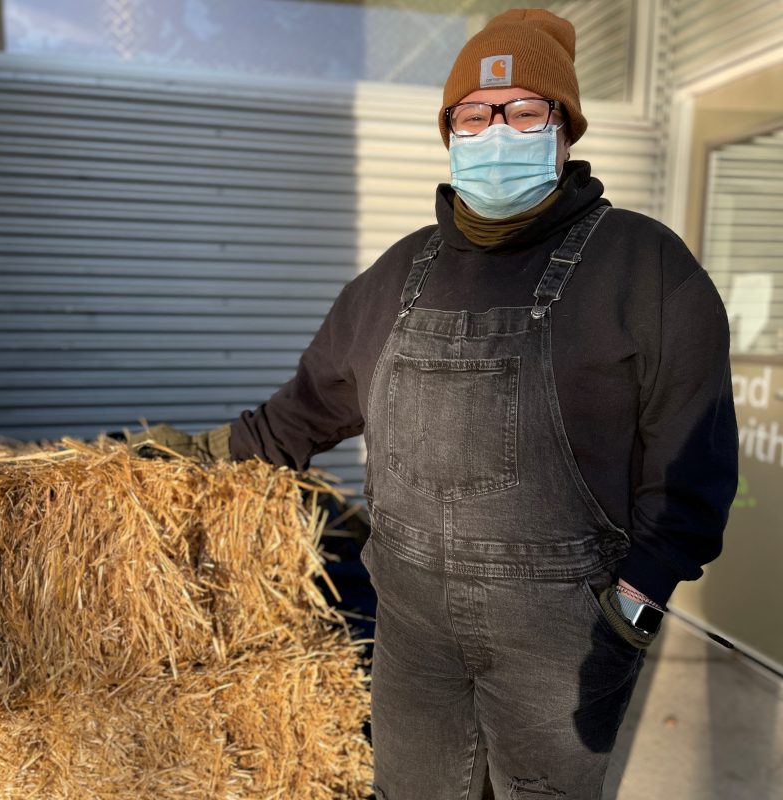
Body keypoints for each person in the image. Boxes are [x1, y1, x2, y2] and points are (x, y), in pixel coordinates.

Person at [132, 9, 738, 799]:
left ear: (565, 130)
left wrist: (634, 606)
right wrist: (205, 452)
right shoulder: (394, 277)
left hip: (563, 640)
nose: (498, 131)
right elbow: (302, 413)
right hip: (413, 639)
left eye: (526, 111)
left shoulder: (647, 269)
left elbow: (693, 466)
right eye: (475, 114)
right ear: (449, 130)